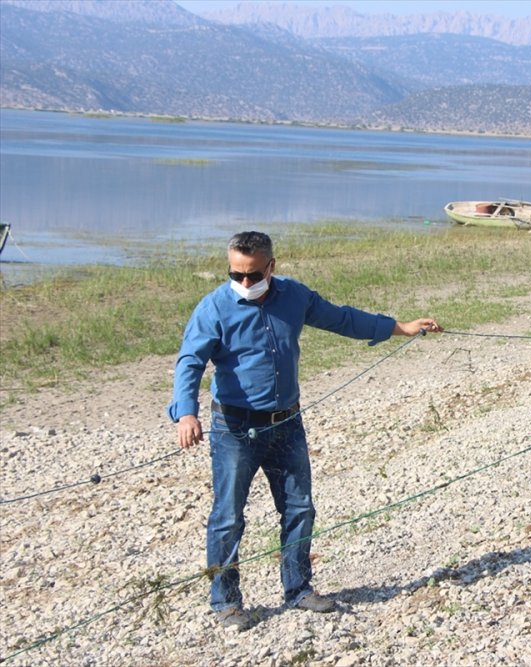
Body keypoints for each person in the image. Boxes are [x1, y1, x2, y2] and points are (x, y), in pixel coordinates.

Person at [167, 231, 442, 631]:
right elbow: (189, 361)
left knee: (299, 509)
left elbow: (342, 318)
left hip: (286, 424)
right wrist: (186, 414)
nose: (245, 282)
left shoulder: (294, 297)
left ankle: (298, 589)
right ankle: (225, 601)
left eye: (253, 274)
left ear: (271, 267)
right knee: (227, 517)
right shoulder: (213, 308)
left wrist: (399, 327)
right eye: (236, 274)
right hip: (234, 428)